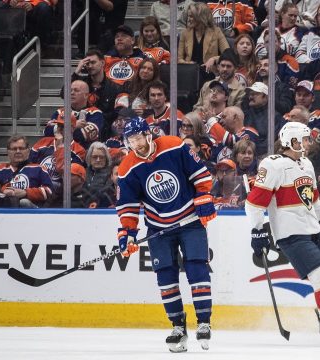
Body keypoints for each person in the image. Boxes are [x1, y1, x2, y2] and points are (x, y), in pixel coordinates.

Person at [245, 121, 320, 345]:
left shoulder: (306, 164)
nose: (308, 143)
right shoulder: (273, 165)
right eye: (304, 139)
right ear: (291, 141)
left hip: (312, 229)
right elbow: (254, 204)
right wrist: (257, 231)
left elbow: (312, 198)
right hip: (290, 233)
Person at [115, 116, 217, 352]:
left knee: (196, 268)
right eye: (131, 140)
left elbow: (199, 174)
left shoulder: (173, 145)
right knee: (166, 277)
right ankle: (178, 327)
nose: (136, 143)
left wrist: (203, 197)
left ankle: (203, 322)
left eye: (138, 137)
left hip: (190, 220)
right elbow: (128, 206)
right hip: (159, 227)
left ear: (149, 134)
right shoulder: (127, 167)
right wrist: (127, 234)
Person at [0, 135, 53, 208]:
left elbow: (49, 191)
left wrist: (26, 192)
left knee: (24, 202)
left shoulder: (38, 168)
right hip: (5, 212)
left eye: (21, 148)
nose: (18, 151)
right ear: (8, 151)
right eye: (14, 149)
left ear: (28, 150)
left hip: (32, 211)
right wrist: (3, 191)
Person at [178, 2, 230, 66]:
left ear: (200, 17)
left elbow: (228, 54)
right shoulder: (185, 33)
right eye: (188, 16)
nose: (188, 19)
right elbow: (179, 58)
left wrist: (214, 59)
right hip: (190, 71)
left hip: (210, 71)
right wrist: (186, 63)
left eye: (191, 16)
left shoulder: (216, 31)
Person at [81, 142, 115, 208]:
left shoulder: (111, 173)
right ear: (89, 158)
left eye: (102, 157)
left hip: (103, 209)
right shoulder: (83, 172)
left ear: (106, 158)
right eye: (94, 157)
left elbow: (107, 192)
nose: (98, 160)